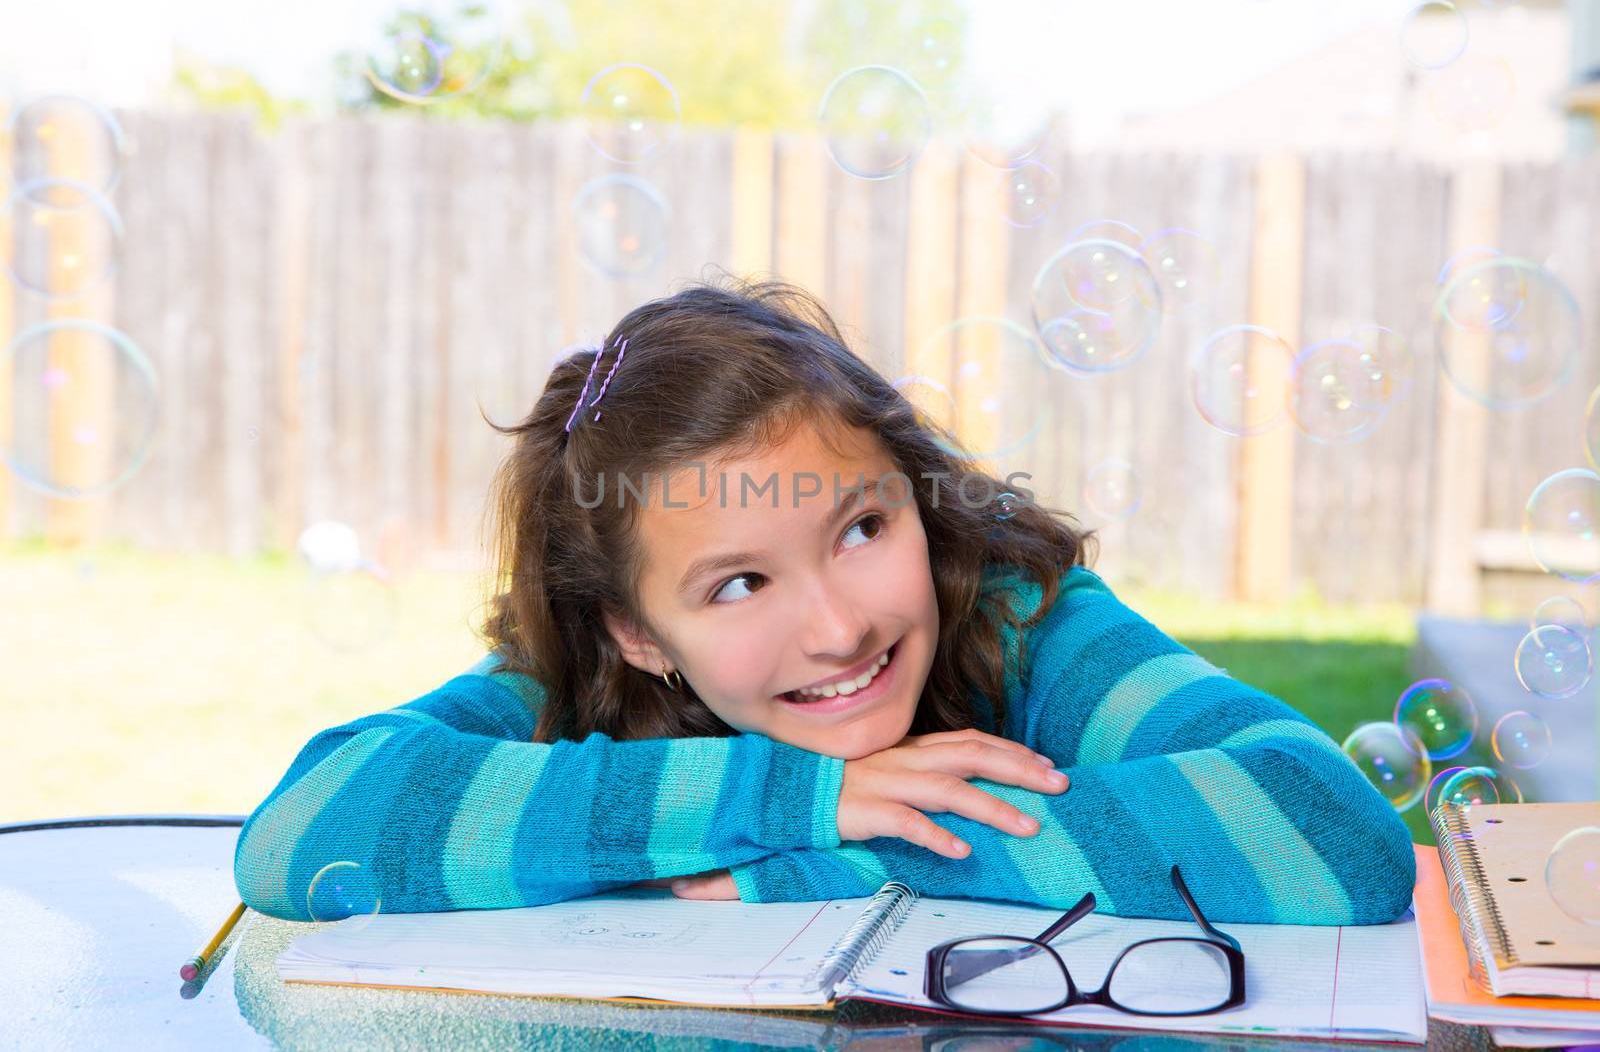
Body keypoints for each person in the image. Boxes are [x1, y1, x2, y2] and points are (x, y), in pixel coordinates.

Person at [233, 274, 1415, 925]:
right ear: (637, 631)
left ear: (920, 496)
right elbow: (307, 828)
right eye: (739, 582)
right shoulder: (577, 680)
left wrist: (787, 868)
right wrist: (799, 791)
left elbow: (1329, 827)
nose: (840, 627)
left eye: (861, 528)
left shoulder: (1016, 616)